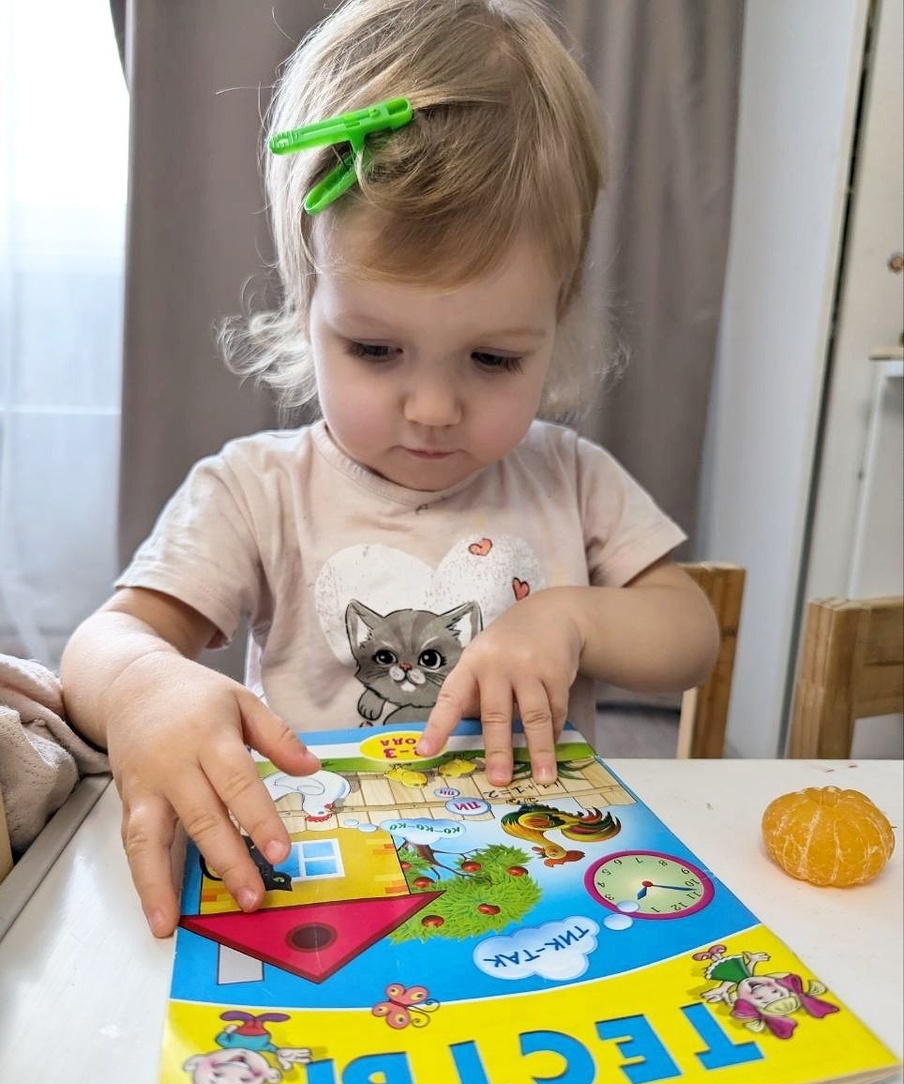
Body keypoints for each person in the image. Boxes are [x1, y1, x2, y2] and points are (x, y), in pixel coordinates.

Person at [61, 0, 720, 938]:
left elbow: (689, 632)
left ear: (557, 322)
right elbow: (105, 642)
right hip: (322, 882)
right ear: (306, 305)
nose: (433, 408)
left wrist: (571, 617)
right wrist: (143, 687)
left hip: (536, 876)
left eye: (493, 359)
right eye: (375, 350)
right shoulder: (257, 490)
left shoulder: (569, 476)